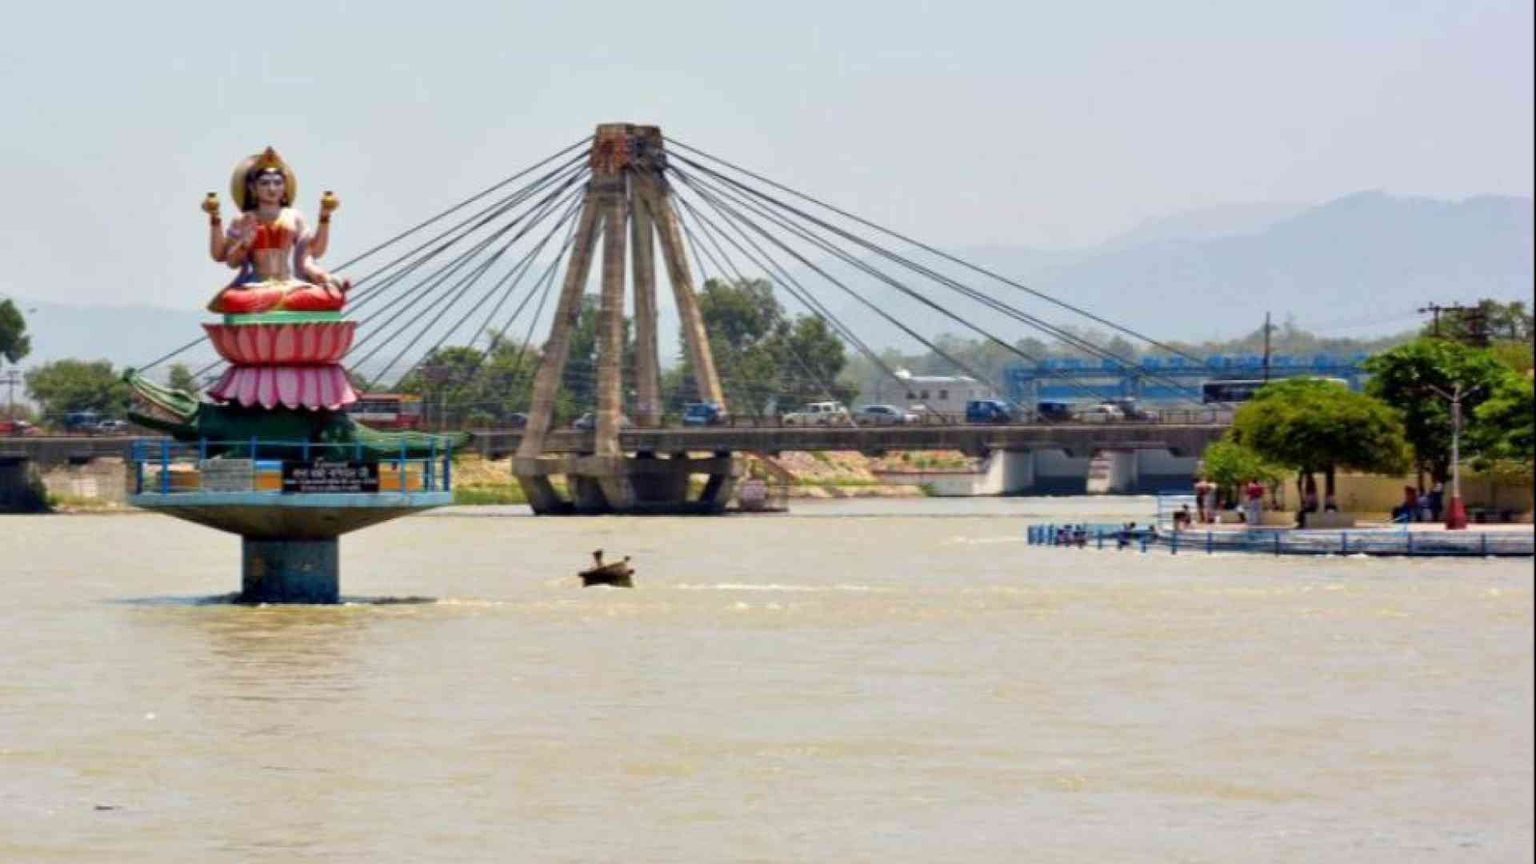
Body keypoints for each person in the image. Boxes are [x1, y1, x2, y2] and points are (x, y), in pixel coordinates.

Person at [205, 147, 351, 314]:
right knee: (231, 300)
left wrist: (326, 277)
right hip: (256, 287)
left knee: (333, 296)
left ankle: (279, 303)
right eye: (265, 183)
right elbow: (231, 262)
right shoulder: (243, 219)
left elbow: (311, 256)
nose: (272, 188)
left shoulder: (294, 216)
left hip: (289, 286)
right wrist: (244, 244)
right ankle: (280, 304)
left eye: (277, 182)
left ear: (284, 188)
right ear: (253, 188)